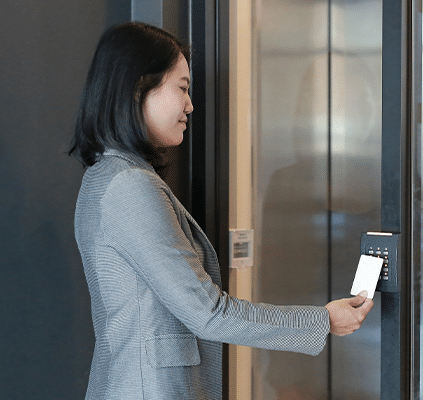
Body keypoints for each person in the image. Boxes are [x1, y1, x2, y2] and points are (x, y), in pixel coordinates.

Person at [69, 21, 373, 400]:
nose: (190, 105)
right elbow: (208, 312)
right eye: (181, 87)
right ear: (137, 88)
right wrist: (324, 320)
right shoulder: (130, 186)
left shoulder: (107, 175)